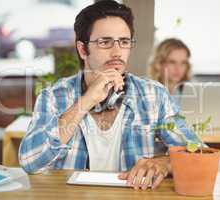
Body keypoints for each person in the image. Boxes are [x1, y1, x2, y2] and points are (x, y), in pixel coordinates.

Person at [19, 0, 199, 190]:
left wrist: (165, 163)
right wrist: (86, 101)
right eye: (105, 42)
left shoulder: (154, 95)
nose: (117, 52)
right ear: (82, 49)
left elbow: (198, 152)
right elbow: (30, 161)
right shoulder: (54, 96)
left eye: (124, 42)